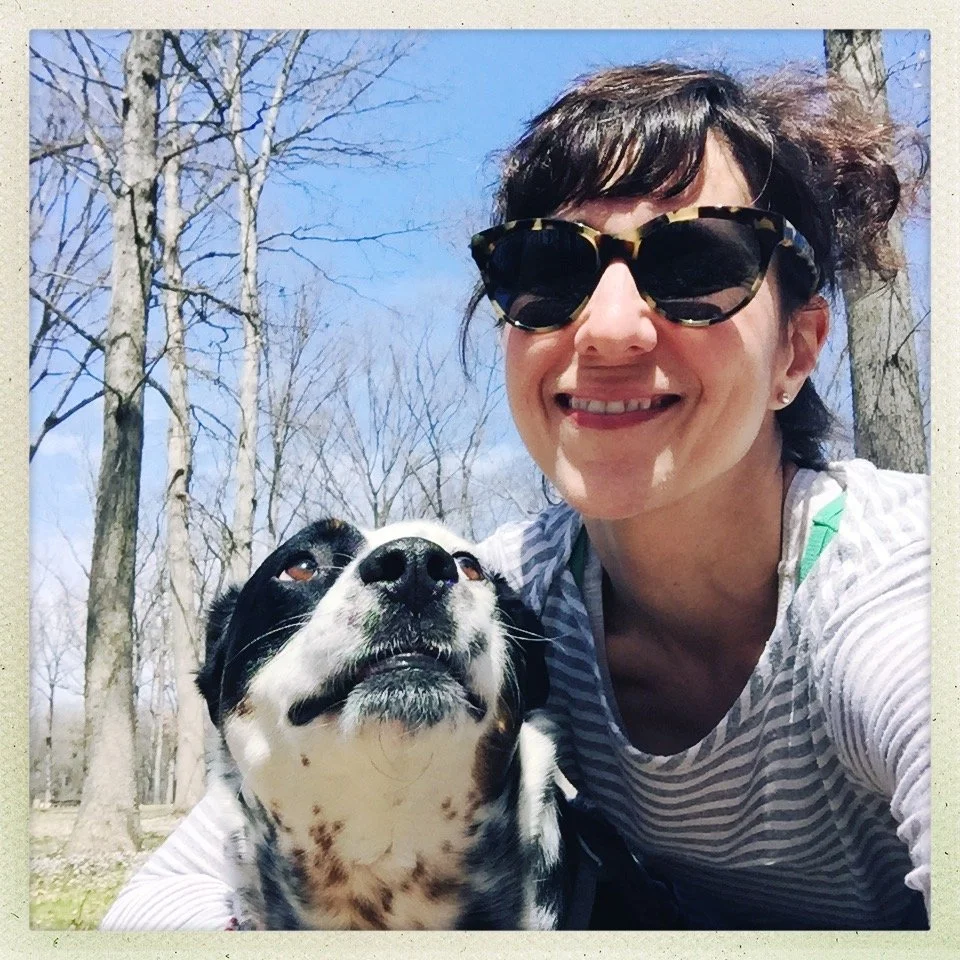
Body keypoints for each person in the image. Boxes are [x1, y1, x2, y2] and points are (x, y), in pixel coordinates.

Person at [101, 61, 929, 931]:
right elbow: (158, 901)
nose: (608, 329)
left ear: (797, 352)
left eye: (694, 260)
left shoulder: (897, 590)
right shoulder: (496, 595)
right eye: (549, 267)